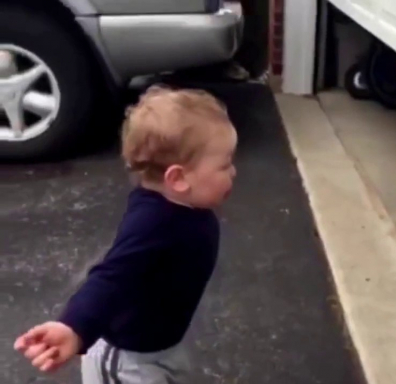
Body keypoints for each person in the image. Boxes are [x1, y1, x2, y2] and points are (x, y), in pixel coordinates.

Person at [14, 86, 238, 383]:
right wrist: (75, 327)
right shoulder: (151, 224)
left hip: (163, 347)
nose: (233, 172)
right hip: (127, 361)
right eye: (224, 164)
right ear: (178, 178)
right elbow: (112, 274)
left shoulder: (188, 205)